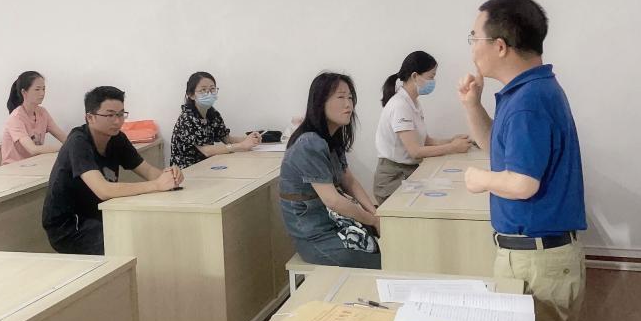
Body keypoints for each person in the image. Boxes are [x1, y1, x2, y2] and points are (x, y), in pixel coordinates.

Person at [458, 0, 585, 321]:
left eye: (474, 37)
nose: (471, 46)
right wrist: (471, 105)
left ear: (501, 46)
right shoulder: (527, 92)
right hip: (533, 256)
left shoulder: (530, 102)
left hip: (538, 261)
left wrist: (479, 181)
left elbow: (522, 182)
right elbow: (499, 151)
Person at [42, 86, 184, 255]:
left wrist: (170, 175)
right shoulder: (78, 142)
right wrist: (156, 185)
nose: (117, 121)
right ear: (90, 117)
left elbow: (148, 171)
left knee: (152, 229)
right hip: (70, 226)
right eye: (110, 115)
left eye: (121, 114)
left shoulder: (117, 139)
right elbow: (104, 190)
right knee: (131, 242)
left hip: (101, 214)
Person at [279, 72, 381, 268]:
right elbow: (333, 200)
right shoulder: (309, 143)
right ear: (320, 102)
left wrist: (374, 213)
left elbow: (349, 181)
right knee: (382, 261)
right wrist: (372, 221)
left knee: (389, 245)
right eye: (340, 97)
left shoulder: (330, 138)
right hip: (315, 236)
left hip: (334, 223)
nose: (348, 104)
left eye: (350, 97)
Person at [372, 51, 472, 203]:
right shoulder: (400, 105)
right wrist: (453, 147)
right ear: (414, 76)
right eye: (431, 76)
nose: (433, 81)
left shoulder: (413, 102)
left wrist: (451, 140)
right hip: (392, 179)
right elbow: (415, 151)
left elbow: (426, 141)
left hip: (408, 172)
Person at [169, 72, 262, 169]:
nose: (209, 93)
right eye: (203, 90)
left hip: (207, 165)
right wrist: (242, 145)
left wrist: (249, 139)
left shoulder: (213, 114)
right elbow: (207, 151)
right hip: (186, 170)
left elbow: (227, 139)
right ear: (191, 95)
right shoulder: (187, 118)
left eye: (212, 89)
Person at [1, 71, 68, 164]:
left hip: (34, 164)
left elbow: (64, 138)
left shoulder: (43, 112)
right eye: (37, 89)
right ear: (24, 92)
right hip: (13, 167)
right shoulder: (16, 118)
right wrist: (65, 147)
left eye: (44, 89)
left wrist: (73, 144)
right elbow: (33, 149)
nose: (42, 93)